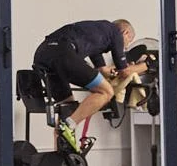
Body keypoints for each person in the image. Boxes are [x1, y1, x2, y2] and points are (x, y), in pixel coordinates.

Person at [32, 17, 148, 157]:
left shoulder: (97, 36)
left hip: (42, 54)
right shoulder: (116, 32)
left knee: (66, 106)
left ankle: (61, 157)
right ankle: (68, 126)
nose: (126, 48)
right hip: (63, 51)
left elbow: (104, 70)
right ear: (126, 33)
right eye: (128, 42)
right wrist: (148, 65)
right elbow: (124, 72)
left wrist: (119, 70)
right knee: (106, 92)